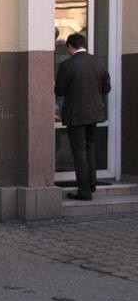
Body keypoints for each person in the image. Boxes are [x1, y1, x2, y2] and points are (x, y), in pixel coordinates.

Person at [54, 33, 111, 201]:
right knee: (89, 147)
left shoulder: (67, 65)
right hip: (94, 113)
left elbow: (59, 91)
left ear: (71, 46)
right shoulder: (99, 63)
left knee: (78, 151)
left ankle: (84, 191)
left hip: (76, 115)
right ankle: (91, 184)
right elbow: (106, 88)